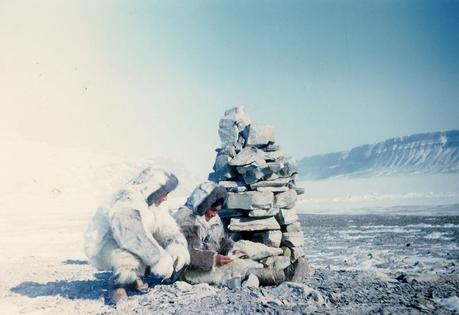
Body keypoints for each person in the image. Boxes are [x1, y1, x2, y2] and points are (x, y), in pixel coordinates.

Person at [83, 167, 190, 303]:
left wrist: (176, 247)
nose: (166, 198)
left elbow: (167, 229)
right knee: (129, 253)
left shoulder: (153, 204)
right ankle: (118, 284)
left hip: (128, 240)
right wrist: (159, 259)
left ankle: (136, 276)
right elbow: (130, 236)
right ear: (154, 189)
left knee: (149, 243)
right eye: (165, 193)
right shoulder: (126, 199)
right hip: (107, 243)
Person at [173, 181, 309, 286]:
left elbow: (221, 240)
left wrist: (231, 250)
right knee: (234, 267)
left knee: (244, 248)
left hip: (209, 261)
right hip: (187, 271)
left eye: (218, 210)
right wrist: (213, 260)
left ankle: (274, 265)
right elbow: (185, 254)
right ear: (202, 203)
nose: (215, 214)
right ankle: (281, 276)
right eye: (213, 210)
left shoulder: (213, 217)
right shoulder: (186, 219)